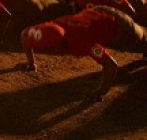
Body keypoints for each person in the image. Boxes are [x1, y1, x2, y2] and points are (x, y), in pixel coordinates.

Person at [19, 6, 147, 103]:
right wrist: (31, 63)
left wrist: (100, 92)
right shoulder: (44, 30)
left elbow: (111, 64)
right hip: (94, 13)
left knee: (139, 39)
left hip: (118, 23)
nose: (52, 52)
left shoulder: (80, 40)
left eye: (53, 49)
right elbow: (24, 35)